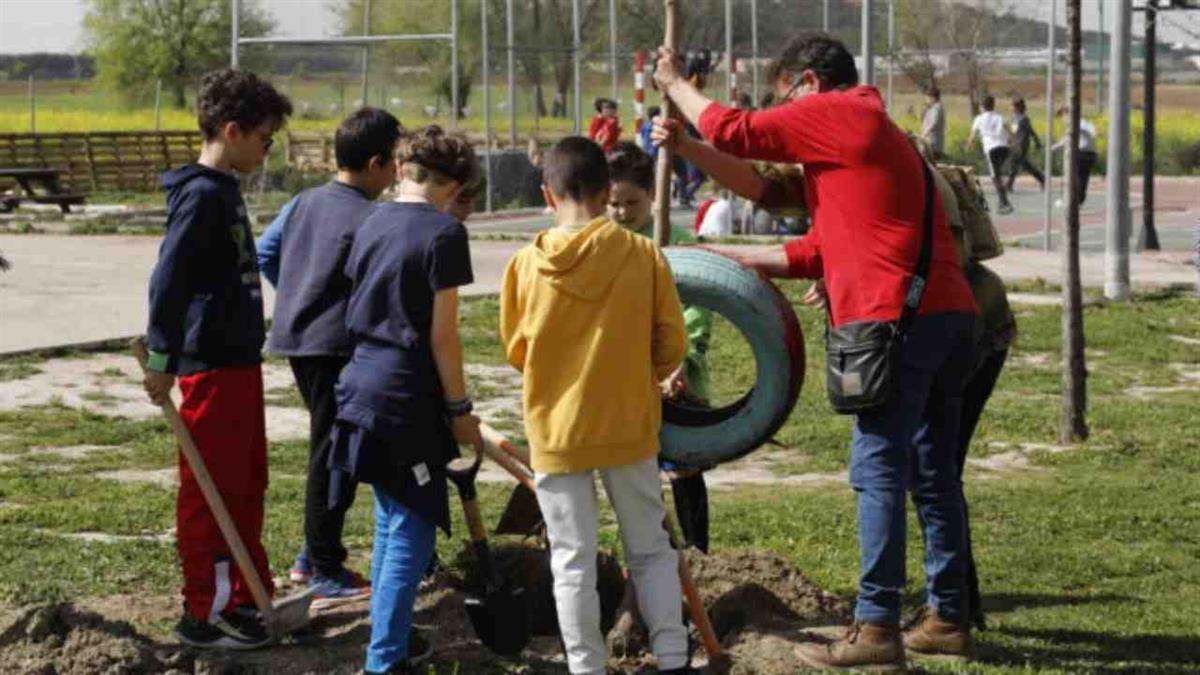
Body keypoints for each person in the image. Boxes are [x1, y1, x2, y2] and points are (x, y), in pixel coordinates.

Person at [654, 33, 979, 668]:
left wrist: (674, 83)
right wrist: (730, 258)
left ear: (806, 84)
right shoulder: (873, 136)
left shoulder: (839, 112)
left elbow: (736, 130)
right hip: (948, 316)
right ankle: (946, 616)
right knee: (934, 474)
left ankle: (876, 626)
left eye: (785, 101)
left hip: (896, 323)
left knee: (879, 469)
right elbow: (811, 241)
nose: (786, 119)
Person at [499, 137, 697, 675]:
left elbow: (517, 348)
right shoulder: (642, 255)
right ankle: (675, 657)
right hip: (629, 426)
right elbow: (672, 344)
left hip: (556, 434)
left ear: (547, 193)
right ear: (608, 192)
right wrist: (640, 376)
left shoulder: (523, 265)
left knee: (570, 559)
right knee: (650, 549)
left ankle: (585, 666)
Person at [142, 68, 292, 650]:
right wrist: (162, 356)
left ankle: (248, 594)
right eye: (263, 138)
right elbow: (169, 280)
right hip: (209, 369)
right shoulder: (201, 196)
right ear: (232, 131)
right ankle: (208, 612)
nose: (266, 147)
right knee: (213, 492)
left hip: (239, 363)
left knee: (247, 483)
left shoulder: (225, 190)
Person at [327, 126, 483, 674]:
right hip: (404, 398)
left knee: (390, 521)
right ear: (455, 185)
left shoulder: (370, 221)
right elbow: (444, 335)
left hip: (359, 385)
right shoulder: (444, 234)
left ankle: (386, 647)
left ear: (399, 170)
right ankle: (385, 660)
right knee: (411, 531)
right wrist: (460, 409)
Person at [254, 108, 404, 605]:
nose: (395, 175)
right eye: (394, 165)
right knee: (334, 452)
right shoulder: (371, 217)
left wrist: (297, 294)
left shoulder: (303, 201)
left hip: (300, 341)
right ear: (377, 163)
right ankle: (322, 564)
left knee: (338, 445)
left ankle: (311, 552)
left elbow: (266, 253)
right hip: (336, 346)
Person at [606, 141, 713, 553]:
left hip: (675, 378)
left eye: (631, 202)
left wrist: (679, 362)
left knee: (684, 465)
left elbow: (697, 310)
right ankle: (647, 551)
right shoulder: (603, 246)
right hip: (624, 379)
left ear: (653, 195)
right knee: (636, 470)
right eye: (612, 203)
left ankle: (698, 551)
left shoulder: (678, 242)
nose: (621, 212)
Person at [967, 94, 1014, 214]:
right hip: (1004, 148)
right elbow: (1009, 130)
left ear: (982, 107)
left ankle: (1004, 202)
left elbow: (973, 135)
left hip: (991, 149)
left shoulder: (979, 118)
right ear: (993, 106)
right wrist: (1011, 141)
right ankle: (1003, 201)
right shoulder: (999, 117)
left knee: (995, 177)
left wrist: (969, 145)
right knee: (997, 174)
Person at [1051, 108, 1100, 205]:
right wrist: (1054, 147)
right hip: (1084, 154)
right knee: (1080, 178)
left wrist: (1093, 133)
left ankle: (1076, 199)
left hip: (1083, 154)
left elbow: (1093, 130)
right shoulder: (1072, 126)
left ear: (1069, 114)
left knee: (1077, 177)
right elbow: (1066, 139)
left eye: (1063, 117)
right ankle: (1078, 199)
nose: (1063, 120)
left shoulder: (1080, 123)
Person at [1005, 97, 1044, 192]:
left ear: (1017, 107)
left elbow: (1031, 131)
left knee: (1014, 163)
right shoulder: (1014, 118)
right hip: (1015, 144)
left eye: (1012, 106)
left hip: (1021, 144)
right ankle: (1042, 179)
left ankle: (1009, 185)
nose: (1010, 108)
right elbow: (1013, 132)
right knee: (1025, 165)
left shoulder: (1024, 119)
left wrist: (1037, 142)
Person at [921, 87, 945, 159]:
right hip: (930, 142)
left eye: (927, 97)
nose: (926, 100)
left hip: (932, 143)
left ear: (933, 97)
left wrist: (924, 134)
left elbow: (933, 123)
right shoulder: (932, 107)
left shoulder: (937, 108)